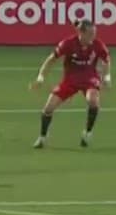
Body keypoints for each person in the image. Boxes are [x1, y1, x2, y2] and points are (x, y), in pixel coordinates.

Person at [31, 19, 110, 148]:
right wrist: (40, 78)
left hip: (89, 78)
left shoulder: (98, 44)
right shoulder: (68, 44)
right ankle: (42, 138)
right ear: (81, 33)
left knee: (93, 101)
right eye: (90, 34)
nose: (93, 37)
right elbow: (51, 60)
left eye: (94, 33)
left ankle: (87, 133)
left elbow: (106, 60)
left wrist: (107, 77)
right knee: (48, 108)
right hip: (70, 80)